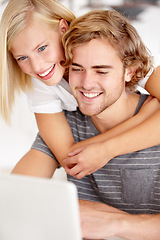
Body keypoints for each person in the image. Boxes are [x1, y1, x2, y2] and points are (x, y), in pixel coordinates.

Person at [26, 9, 160, 239]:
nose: (87, 83)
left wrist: (118, 224)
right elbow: (16, 194)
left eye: (101, 71)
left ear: (130, 71)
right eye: (77, 69)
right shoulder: (66, 126)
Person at [1, 0, 160, 180]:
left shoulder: (109, 43)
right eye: (22, 57)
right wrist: (140, 120)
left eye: (42, 48)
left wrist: (108, 149)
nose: (37, 66)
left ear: (63, 29)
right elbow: (69, 157)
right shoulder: (40, 82)